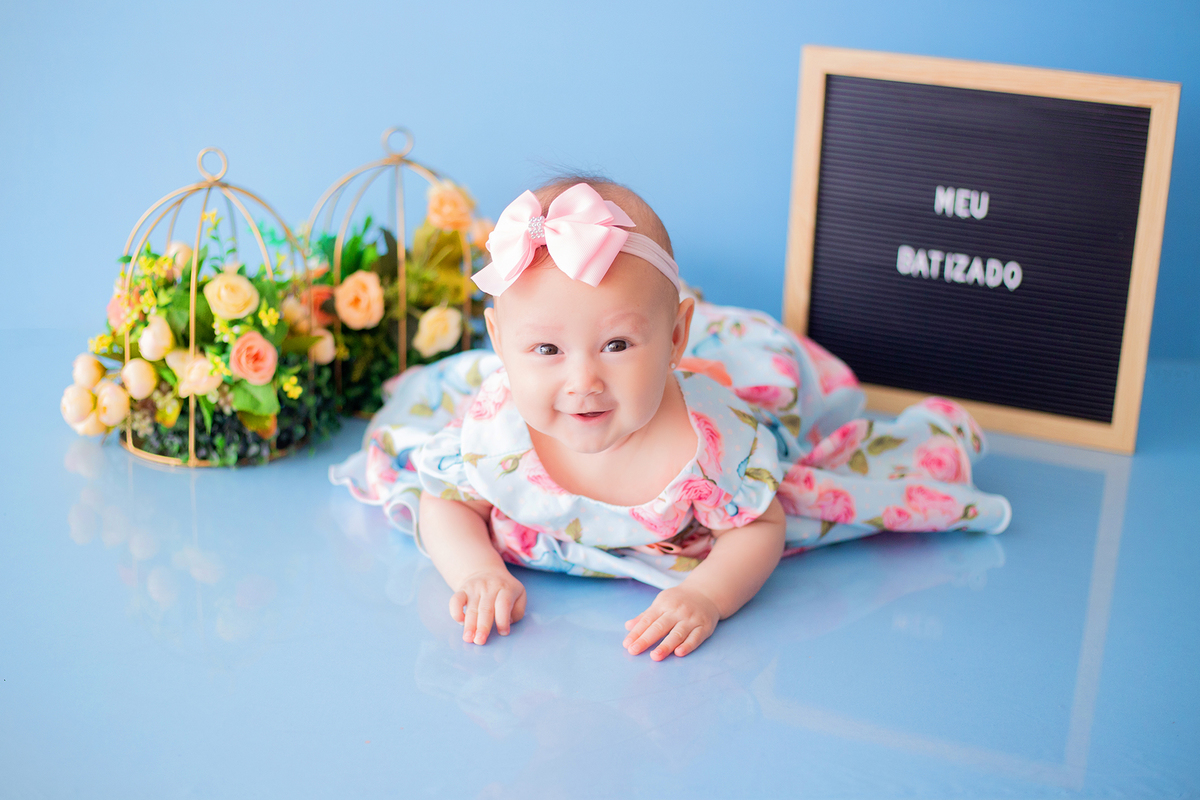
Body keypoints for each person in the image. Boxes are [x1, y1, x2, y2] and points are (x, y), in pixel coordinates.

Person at [330, 178, 1011, 660]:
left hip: (715, 396)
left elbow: (760, 525)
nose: (582, 381)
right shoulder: (498, 428)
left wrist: (709, 596)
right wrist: (476, 571)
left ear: (678, 336)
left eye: (618, 345)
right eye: (544, 349)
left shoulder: (710, 447)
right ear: (499, 342)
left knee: (770, 388)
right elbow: (443, 499)